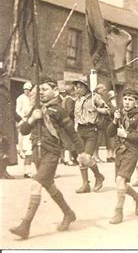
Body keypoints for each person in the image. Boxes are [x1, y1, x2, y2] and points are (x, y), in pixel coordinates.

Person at [9, 77, 85, 239]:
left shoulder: (58, 110)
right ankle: (68, 213)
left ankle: (25, 226)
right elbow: (23, 131)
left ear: (55, 92)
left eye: (45, 89)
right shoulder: (35, 109)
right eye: (40, 89)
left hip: (51, 153)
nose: (41, 92)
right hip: (37, 154)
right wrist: (32, 119)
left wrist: (82, 152)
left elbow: (72, 133)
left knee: (36, 184)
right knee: (50, 187)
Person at [106, 88, 138, 224]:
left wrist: (127, 135)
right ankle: (137, 197)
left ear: (136, 103)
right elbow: (110, 133)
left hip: (131, 151)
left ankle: (118, 212)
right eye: (125, 99)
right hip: (119, 151)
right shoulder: (120, 115)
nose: (127, 102)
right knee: (120, 183)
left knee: (120, 180)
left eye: (131, 100)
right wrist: (114, 121)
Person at [72, 79, 108, 193]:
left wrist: (97, 109)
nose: (78, 89)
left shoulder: (94, 97)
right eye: (76, 87)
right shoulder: (77, 100)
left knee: (87, 157)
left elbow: (107, 110)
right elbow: (76, 116)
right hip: (80, 130)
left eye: (80, 87)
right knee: (81, 159)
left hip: (92, 130)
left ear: (86, 87)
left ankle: (98, 176)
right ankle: (85, 184)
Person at [0, 75, 19, 179]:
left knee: (6, 149)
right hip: (2, 125)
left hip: (8, 125)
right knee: (3, 149)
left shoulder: (5, 90)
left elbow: (10, 107)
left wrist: (18, 118)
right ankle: (2, 172)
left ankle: (3, 171)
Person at [16, 81, 34, 178]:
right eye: (25, 90)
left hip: (31, 123)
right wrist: (23, 118)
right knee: (27, 150)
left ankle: (28, 171)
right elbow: (18, 111)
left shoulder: (32, 98)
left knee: (30, 151)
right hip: (24, 123)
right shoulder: (20, 98)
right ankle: (27, 171)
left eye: (28, 90)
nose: (27, 92)